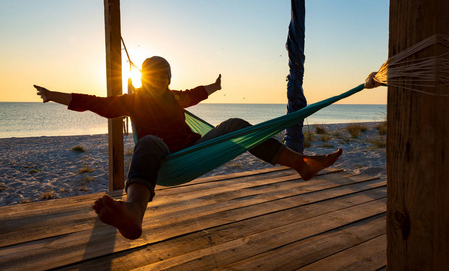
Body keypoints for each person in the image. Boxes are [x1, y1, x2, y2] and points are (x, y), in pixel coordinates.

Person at [34, 56, 342, 240]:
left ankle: (300, 164)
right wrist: (52, 95)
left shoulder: (175, 97)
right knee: (149, 142)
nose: (160, 79)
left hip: (193, 152)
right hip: (162, 161)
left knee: (235, 123)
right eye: (153, 74)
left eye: (165, 75)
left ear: (169, 79)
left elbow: (196, 94)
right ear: (144, 77)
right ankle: (134, 212)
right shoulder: (132, 101)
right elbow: (93, 102)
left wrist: (214, 87)